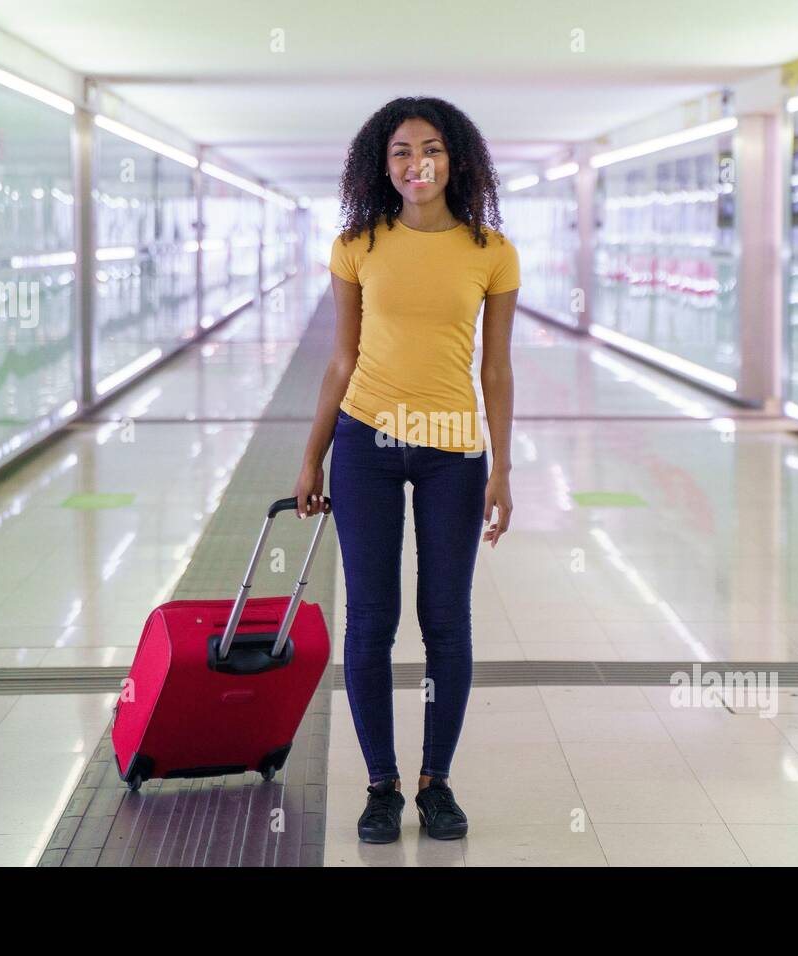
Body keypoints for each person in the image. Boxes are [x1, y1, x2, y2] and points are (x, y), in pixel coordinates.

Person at [293, 96, 519, 843]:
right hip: (367, 444)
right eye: (400, 150)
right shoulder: (357, 243)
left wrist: (502, 469)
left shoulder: (491, 251)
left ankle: (437, 784)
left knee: (447, 621)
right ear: (380, 163)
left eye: (430, 148)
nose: (415, 162)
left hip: (455, 448)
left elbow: (498, 367)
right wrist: (312, 454)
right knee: (372, 619)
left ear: (455, 159)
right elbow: (341, 358)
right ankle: (381, 785)